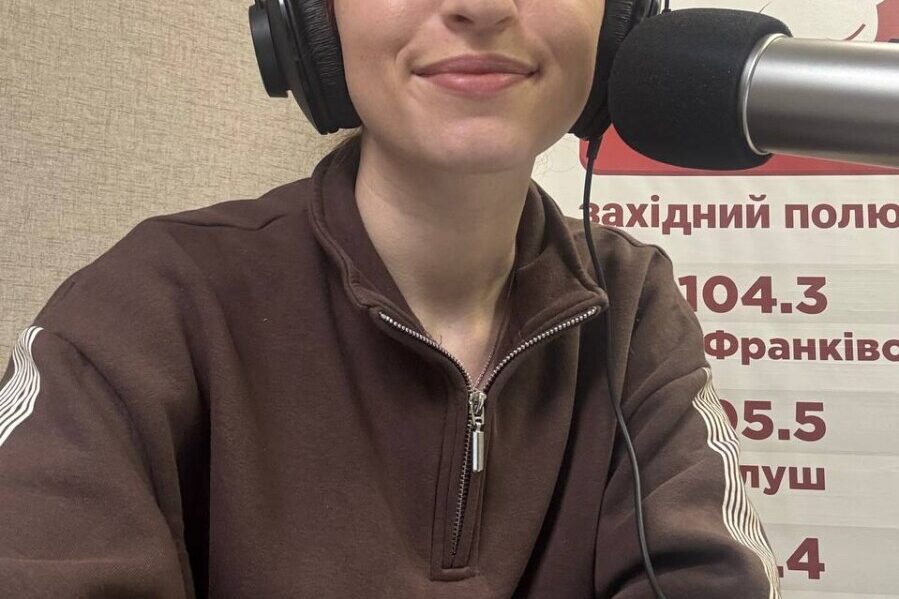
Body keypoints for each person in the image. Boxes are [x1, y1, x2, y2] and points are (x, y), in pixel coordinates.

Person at [0, 0, 781, 597]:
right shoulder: (145, 308)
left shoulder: (633, 306)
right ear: (310, 20)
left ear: (619, 20)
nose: (480, 6)